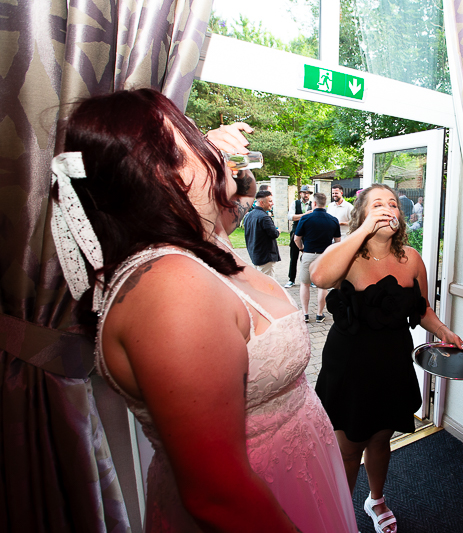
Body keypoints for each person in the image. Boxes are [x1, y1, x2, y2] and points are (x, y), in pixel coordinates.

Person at [51, 88, 357, 532]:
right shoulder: (172, 287)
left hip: (301, 468)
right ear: (159, 174)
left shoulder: (196, 246)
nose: (209, 150)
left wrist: (209, 152)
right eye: (190, 140)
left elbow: (206, 206)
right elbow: (218, 496)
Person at [310, 184, 463, 533]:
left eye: (392, 204)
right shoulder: (346, 254)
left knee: (381, 438)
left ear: (400, 214)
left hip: (392, 362)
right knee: (349, 447)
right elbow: (318, 277)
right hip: (349, 365)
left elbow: (422, 308)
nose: (387, 209)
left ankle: (375, 500)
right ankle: (342, 514)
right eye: (377, 204)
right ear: (361, 213)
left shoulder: (411, 258)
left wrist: (443, 332)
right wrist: (362, 231)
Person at [294, 193, 341, 323]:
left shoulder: (305, 218)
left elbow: (296, 238)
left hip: (308, 253)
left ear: (314, 203)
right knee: (323, 286)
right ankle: (320, 314)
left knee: (305, 283)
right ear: (324, 203)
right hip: (325, 257)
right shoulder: (333, 220)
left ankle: (305, 313)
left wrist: (301, 248)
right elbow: (338, 241)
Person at [244, 190, 281, 277]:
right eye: (270, 201)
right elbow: (274, 234)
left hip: (255, 255)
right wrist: (278, 231)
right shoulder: (264, 217)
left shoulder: (248, 216)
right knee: (268, 285)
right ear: (262, 203)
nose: (272, 203)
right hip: (266, 256)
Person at [285, 184, 313, 288]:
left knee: (309, 257)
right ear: (300, 193)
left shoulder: (312, 204)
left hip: (309, 233)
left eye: (308, 193)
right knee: (294, 256)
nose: (306, 195)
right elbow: (290, 216)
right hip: (296, 232)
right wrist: (305, 215)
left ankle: (311, 279)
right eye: (304, 193)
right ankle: (291, 279)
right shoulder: (295, 203)